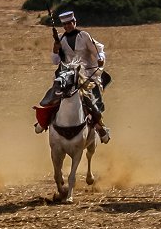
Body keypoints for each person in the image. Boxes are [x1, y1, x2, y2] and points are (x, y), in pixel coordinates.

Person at [33, 11, 111, 144]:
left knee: (91, 99)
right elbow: (55, 61)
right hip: (67, 74)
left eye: (70, 23)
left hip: (86, 74)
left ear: (74, 22)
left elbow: (98, 50)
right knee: (54, 93)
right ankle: (44, 120)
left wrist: (100, 58)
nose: (68, 26)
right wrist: (55, 49)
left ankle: (99, 126)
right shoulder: (60, 38)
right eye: (65, 24)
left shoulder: (84, 36)